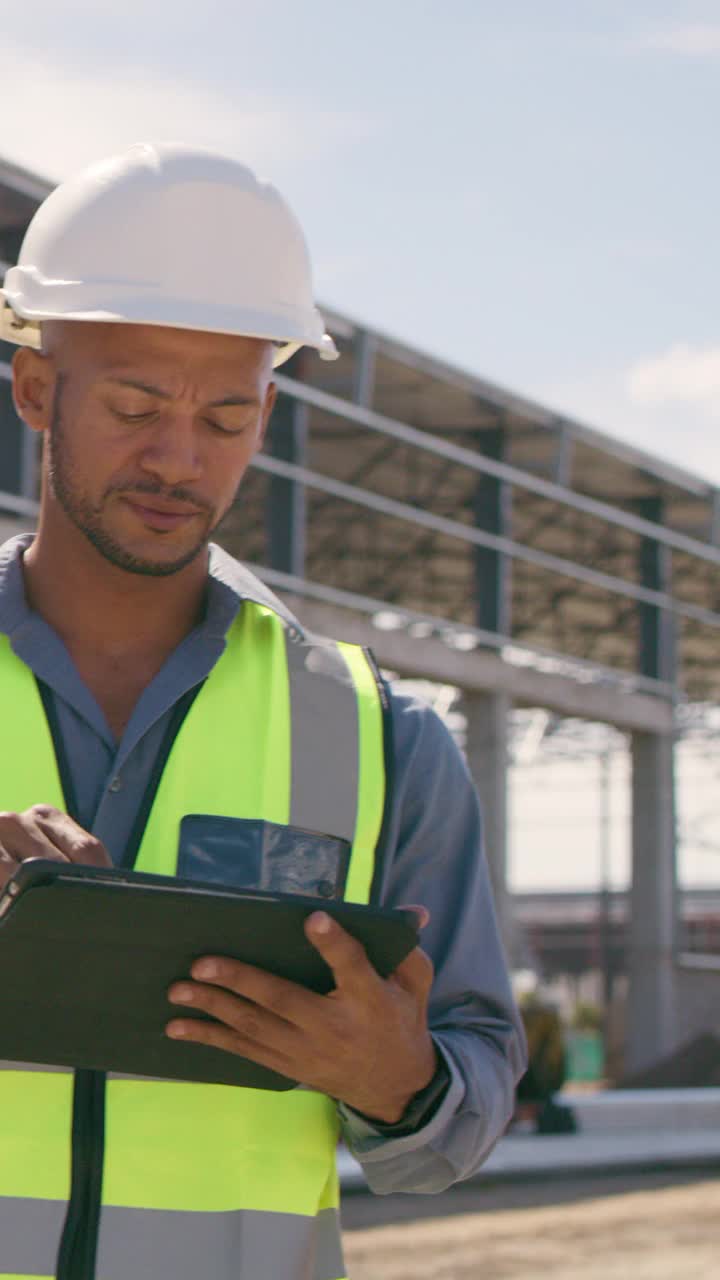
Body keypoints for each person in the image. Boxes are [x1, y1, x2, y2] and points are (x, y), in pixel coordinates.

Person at [0, 143, 526, 1280]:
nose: (179, 457)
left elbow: (473, 1087)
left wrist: (402, 1082)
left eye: (228, 417)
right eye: (136, 404)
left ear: (269, 410)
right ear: (36, 385)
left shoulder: (381, 740)